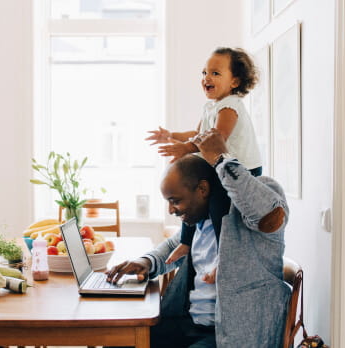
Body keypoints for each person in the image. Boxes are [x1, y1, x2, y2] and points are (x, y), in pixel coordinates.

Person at [107, 128, 290, 348]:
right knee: (117, 340)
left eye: (175, 200)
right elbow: (173, 245)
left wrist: (222, 159)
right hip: (188, 325)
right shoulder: (201, 220)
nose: (171, 210)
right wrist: (146, 262)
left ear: (202, 189)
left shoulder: (259, 195)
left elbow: (269, 216)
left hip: (229, 336)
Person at [145, 47, 263, 268]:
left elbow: (217, 139)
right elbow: (198, 134)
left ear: (235, 82)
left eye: (215, 73)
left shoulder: (230, 107)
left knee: (218, 205)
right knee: (193, 198)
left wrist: (186, 149)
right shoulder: (211, 106)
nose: (207, 78)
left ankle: (222, 256)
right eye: (204, 72)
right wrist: (171, 135)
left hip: (242, 170)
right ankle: (186, 242)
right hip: (220, 166)